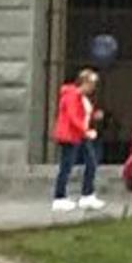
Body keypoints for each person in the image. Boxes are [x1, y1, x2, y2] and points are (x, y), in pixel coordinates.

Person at [50, 67, 104, 211]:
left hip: (79, 135)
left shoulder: (81, 97)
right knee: (66, 166)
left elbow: (83, 115)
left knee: (91, 162)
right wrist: (86, 131)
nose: (93, 88)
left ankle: (87, 194)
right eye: (92, 84)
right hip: (70, 136)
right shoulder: (71, 96)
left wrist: (93, 116)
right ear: (84, 82)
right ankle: (59, 197)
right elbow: (74, 117)